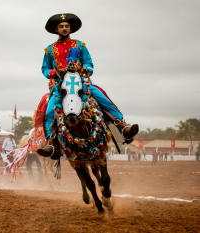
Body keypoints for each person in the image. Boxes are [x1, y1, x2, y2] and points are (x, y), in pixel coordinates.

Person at [38, 13, 139, 157]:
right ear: (56, 29)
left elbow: (89, 63)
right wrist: (55, 72)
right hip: (61, 87)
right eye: (61, 26)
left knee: (102, 97)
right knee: (49, 112)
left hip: (81, 84)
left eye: (67, 26)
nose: (64, 28)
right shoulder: (49, 49)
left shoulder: (80, 45)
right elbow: (44, 69)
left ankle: (122, 127)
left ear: (70, 28)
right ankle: (50, 143)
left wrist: (85, 70)